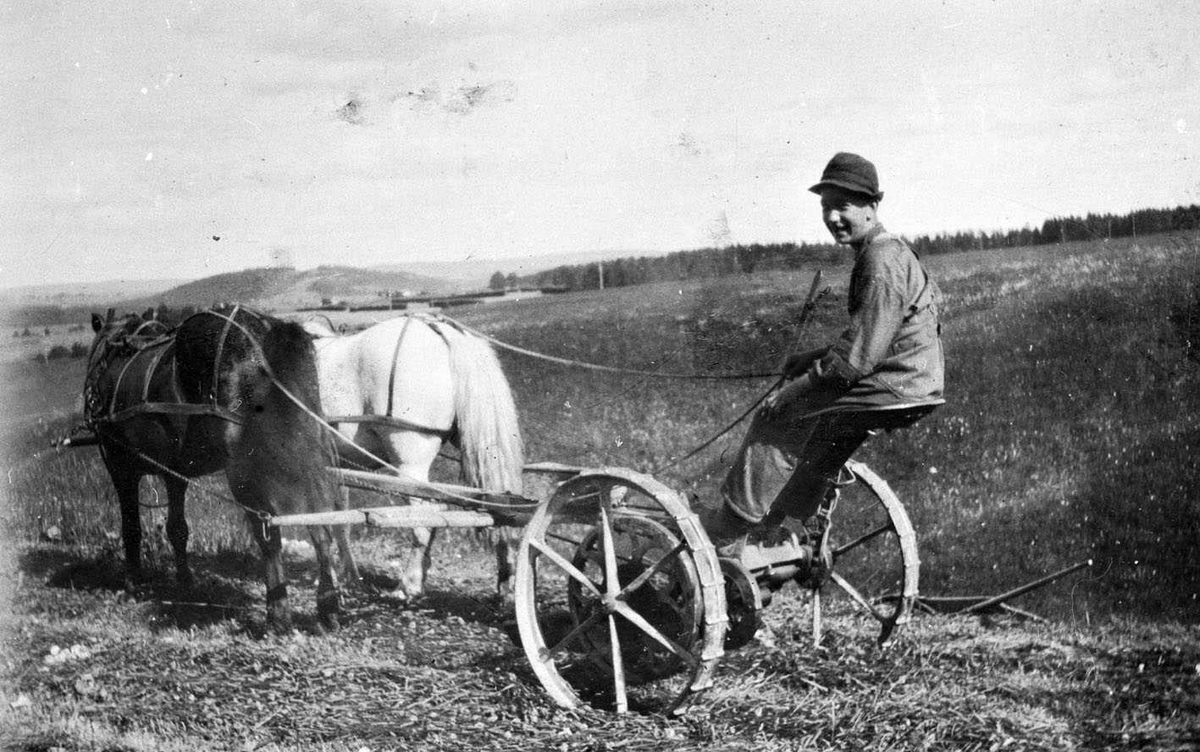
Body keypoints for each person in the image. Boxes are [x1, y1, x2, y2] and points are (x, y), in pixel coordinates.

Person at [706, 152, 945, 550]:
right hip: (912, 381)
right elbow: (878, 334)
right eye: (825, 207)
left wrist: (791, 391)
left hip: (896, 383)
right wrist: (813, 357)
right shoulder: (889, 252)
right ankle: (783, 519)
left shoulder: (881, 260)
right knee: (821, 435)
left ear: (871, 206)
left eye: (842, 206)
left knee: (777, 418)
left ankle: (730, 528)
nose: (833, 217)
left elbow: (855, 361)